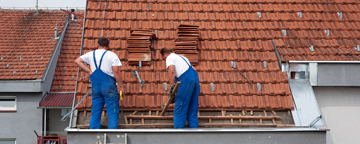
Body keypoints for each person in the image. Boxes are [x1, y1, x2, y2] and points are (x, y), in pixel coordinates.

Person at [75, 37, 123, 129]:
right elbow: (116, 71)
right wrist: (121, 86)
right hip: (109, 87)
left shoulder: (90, 54)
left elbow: (77, 61)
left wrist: (89, 72)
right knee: (112, 113)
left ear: (98, 45)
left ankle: (93, 137)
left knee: (96, 113)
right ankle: (112, 138)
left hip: (96, 87)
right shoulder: (112, 55)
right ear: (108, 46)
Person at [160, 48, 200, 128]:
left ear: (165, 54)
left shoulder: (169, 57)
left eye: (163, 58)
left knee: (180, 106)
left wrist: (172, 88)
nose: (164, 60)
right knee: (192, 108)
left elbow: (171, 71)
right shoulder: (183, 58)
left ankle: (178, 133)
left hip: (185, 80)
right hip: (195, 80)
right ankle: (195, 133)